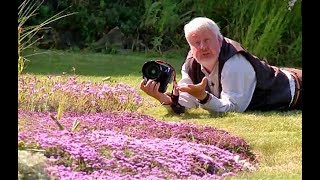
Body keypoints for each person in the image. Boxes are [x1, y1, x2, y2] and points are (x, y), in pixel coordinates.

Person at [140, 17, 302, 114]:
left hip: (297, 89)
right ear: (190, 47)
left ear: (219, 40)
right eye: (196, 43)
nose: (202, 47)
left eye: (207, 40)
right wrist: (162, 97)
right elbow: (187, 101)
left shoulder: (234, 63)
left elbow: (233, 108)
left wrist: (203, 97)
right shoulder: (191, 63)